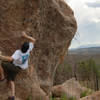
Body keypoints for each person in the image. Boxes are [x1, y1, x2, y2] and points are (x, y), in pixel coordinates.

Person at [0, 31, 36, 100]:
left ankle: (2, 77)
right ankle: (13, 96)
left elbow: (10, 59)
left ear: (21, 47)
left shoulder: (18, 53)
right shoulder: (28, 50)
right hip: (19, 68)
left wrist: (1, 56)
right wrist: (25, 36)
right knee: (11, 80)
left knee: (0, 63)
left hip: (14, 66)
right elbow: (33, 40)